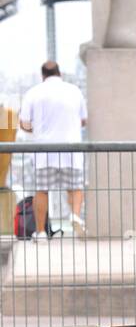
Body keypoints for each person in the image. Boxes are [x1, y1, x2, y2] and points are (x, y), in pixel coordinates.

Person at [19, 61, 88, 238]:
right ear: (60, 73)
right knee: (75, 188)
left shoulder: (33, 93)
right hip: (71, 150)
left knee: (42, 190)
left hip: (44, 152)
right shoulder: (74, 91)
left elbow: (24, 123)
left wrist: (36, 130)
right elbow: (83, 120)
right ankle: (75, 215)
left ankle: (41, 232)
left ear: (43, 76)